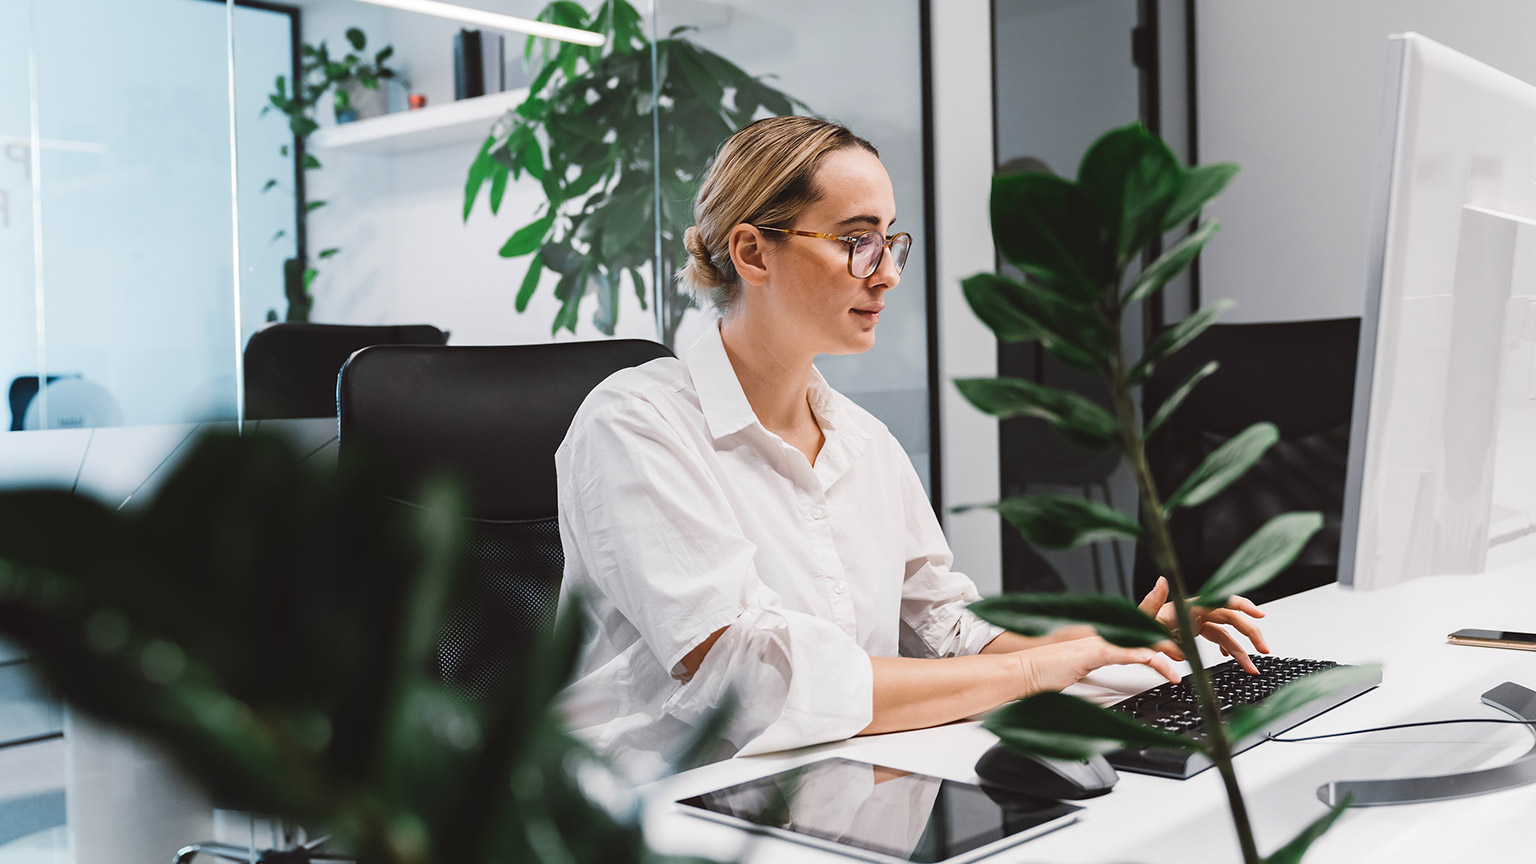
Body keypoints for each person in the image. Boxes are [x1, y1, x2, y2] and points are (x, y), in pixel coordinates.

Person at [555, 116, 1267, 779]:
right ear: (752, 252)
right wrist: (1039, 670)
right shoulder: (635, 424)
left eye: (891, 241)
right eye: (855, 240)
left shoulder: (866, 443)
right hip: (651, 812)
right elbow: (751, 680)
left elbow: (949, 629)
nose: (888, 273)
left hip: (826, 789)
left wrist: (1114, 635)